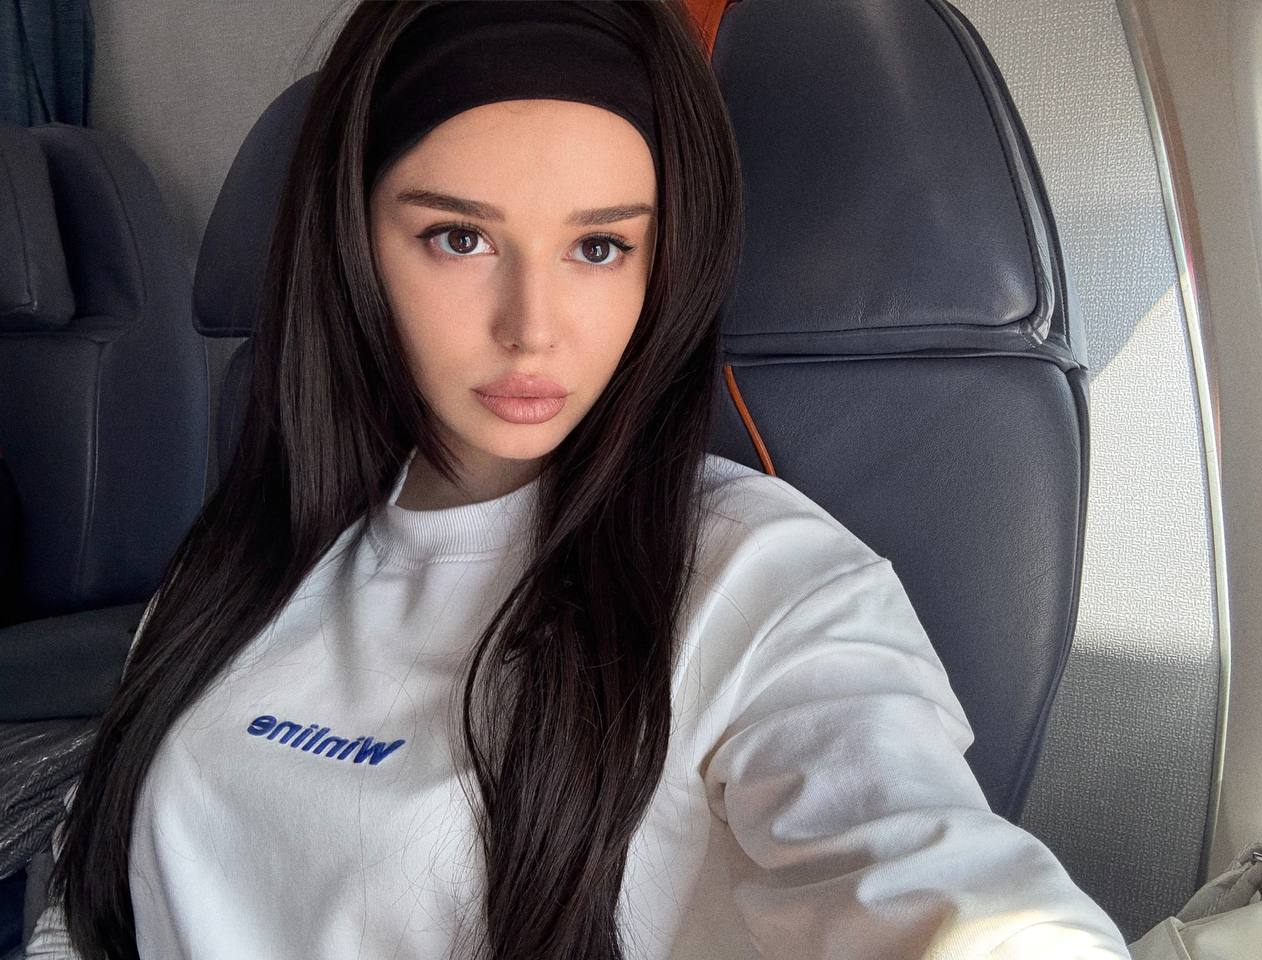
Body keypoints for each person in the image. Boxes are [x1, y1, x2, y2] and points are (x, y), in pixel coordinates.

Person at [24, 1, 1134, 958]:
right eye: (459, 239)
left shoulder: (764, 584)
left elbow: (935, 885)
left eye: (598, 247)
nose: (533, 329)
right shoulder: (243, 557)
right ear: (352, 249)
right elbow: (91, 903)